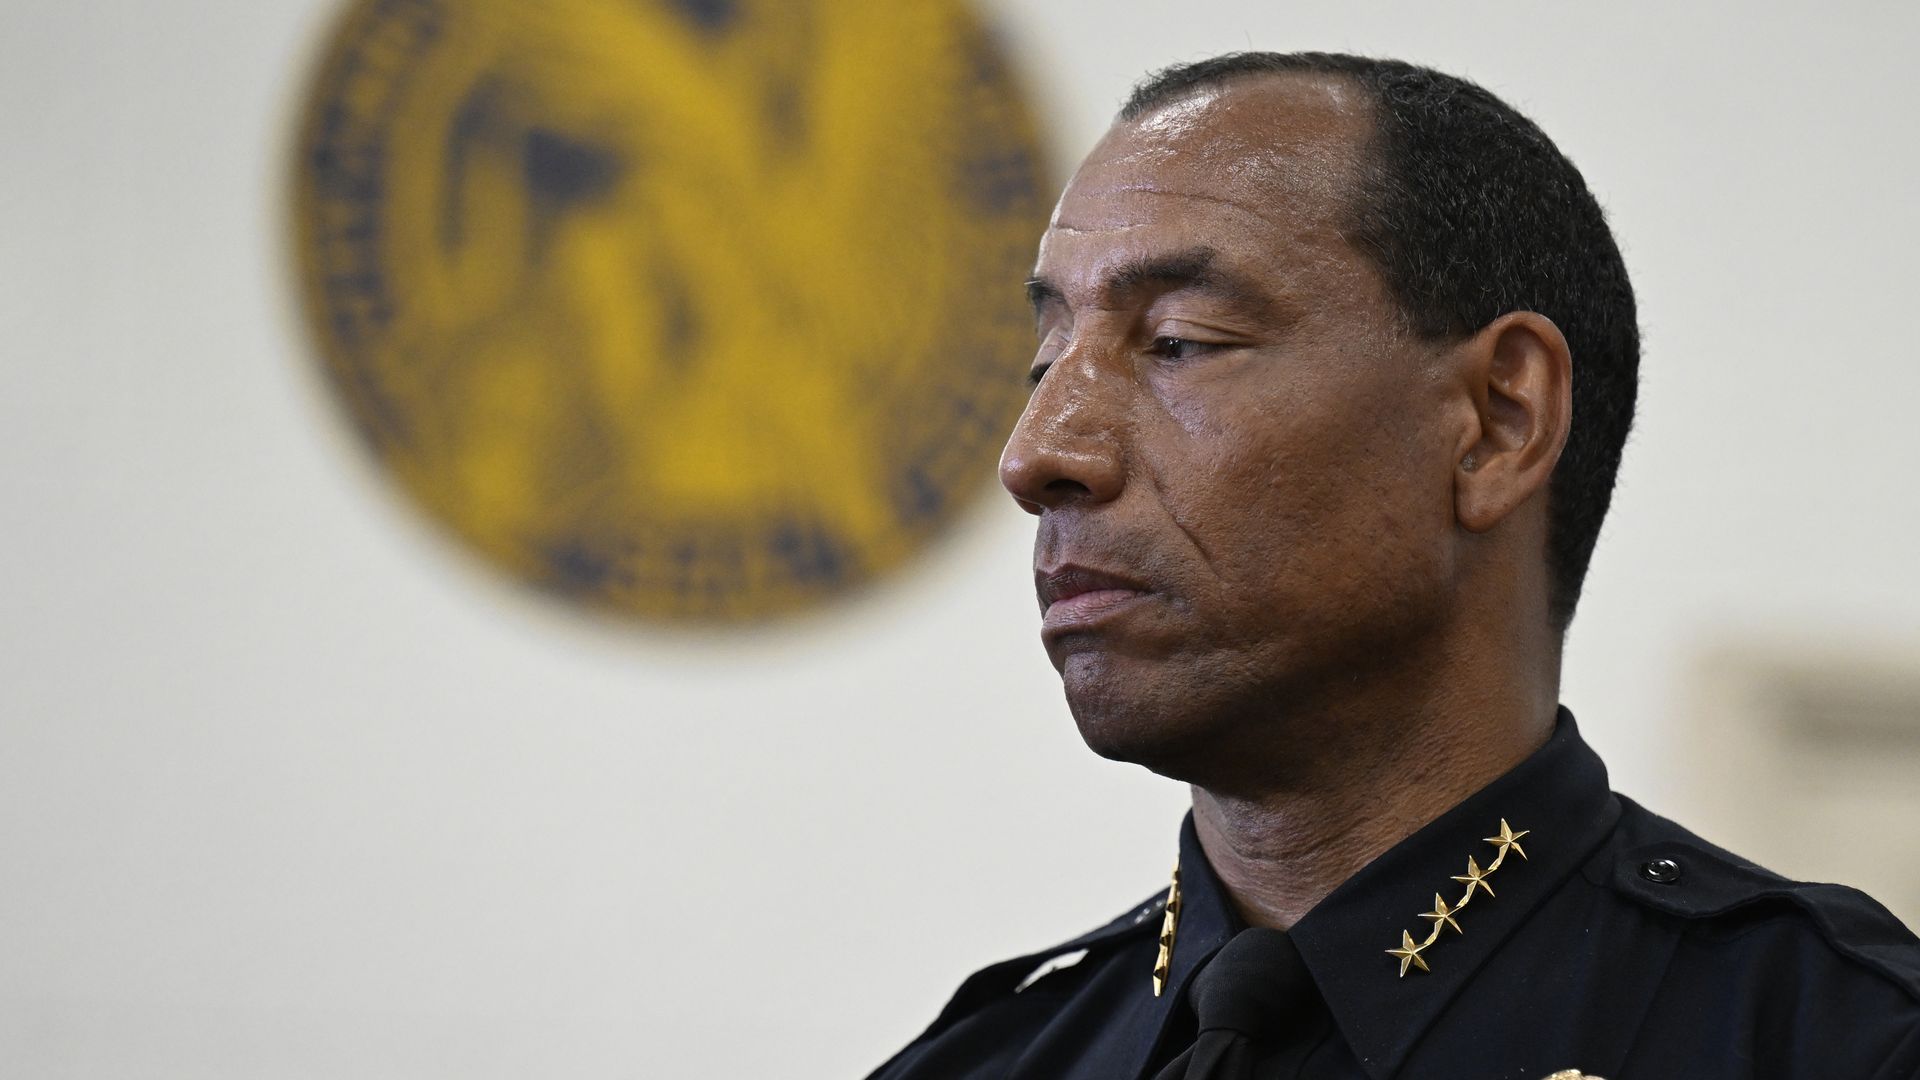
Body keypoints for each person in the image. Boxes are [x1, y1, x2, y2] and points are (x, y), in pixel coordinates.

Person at [865, 52, 1920, 1080]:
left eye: (1179, 341)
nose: (1037, 453)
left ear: (1498, 422)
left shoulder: (1832, 1041)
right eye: (1046, 360)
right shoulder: (986, 1059)